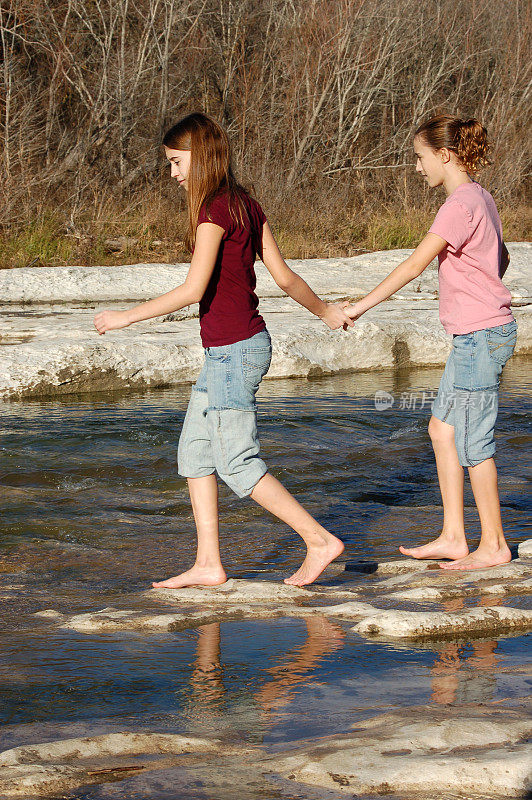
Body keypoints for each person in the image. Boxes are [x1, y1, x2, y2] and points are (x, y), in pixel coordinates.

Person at [94, 112, 352, 587]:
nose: (173, 174)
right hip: (232, 350)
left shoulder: (214, 211)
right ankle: (209, 563)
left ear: (202, 156)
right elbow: (286, 277)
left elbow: (194, 289)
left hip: (236, 351)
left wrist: (123, 317)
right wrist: (325, 311)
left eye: (176, 162)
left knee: (236, 461)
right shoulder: (246, 206)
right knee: (194, 453)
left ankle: (319, 540)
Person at [345, 114, 517, 571]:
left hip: (481, 338)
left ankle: (494, 545)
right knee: (442, 431)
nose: (417, 167)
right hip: (474, 337)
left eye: (420, 157)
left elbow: (413, 265)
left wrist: (360, 306)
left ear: (444, 154)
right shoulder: (481, 197)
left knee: (474, 445)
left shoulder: (458, 205)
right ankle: (455, 536)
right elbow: (500, 256)